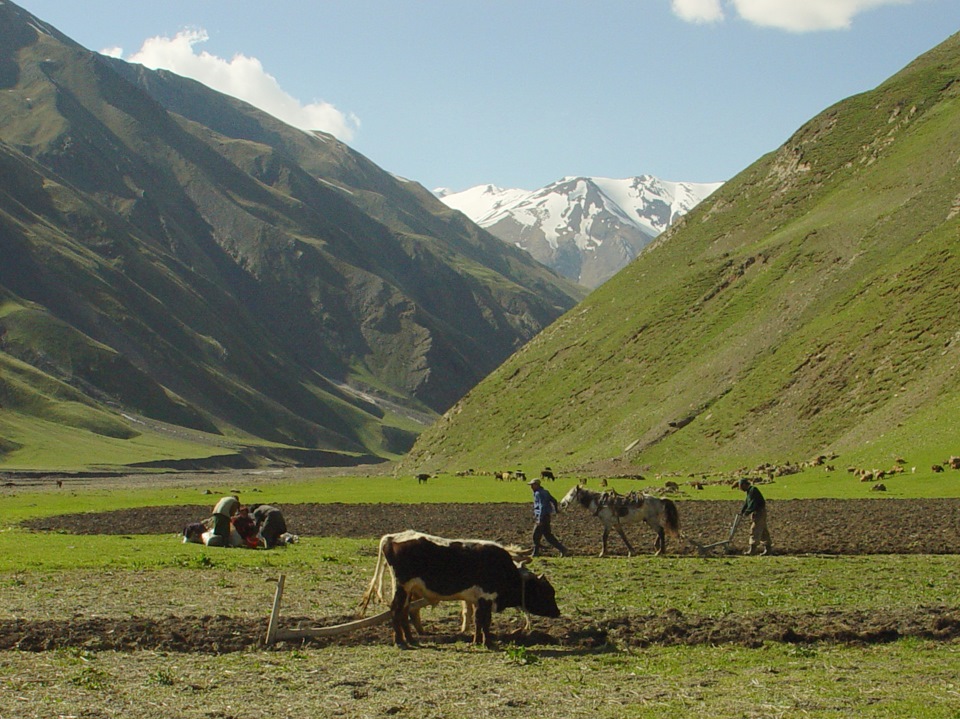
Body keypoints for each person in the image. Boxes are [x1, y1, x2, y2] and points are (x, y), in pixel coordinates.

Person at [529, 478, 568, 557]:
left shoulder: (538, 493)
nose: (531, 487)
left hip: (542, 517)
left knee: (535, 535)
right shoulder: (545, 492)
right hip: (546, 516)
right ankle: (562, 549)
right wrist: (556, 510)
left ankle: (535, 553)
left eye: (532, 485)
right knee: (547, 535)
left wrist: (540, 519)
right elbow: (554, 500)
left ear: (537, 485)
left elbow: (541, 506)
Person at [739, 478, 771, 555]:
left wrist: (747, 512)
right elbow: (747, 502)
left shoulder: (753, 490)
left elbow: (753, 503)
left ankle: (752, 550)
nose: (740, 488)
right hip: (757, 512)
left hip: (759, 512)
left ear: (744, 485)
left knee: (754, 529)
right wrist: (742, 511)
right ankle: (768, 549)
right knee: (763, 531)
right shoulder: (749, 491)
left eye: (740, 486)